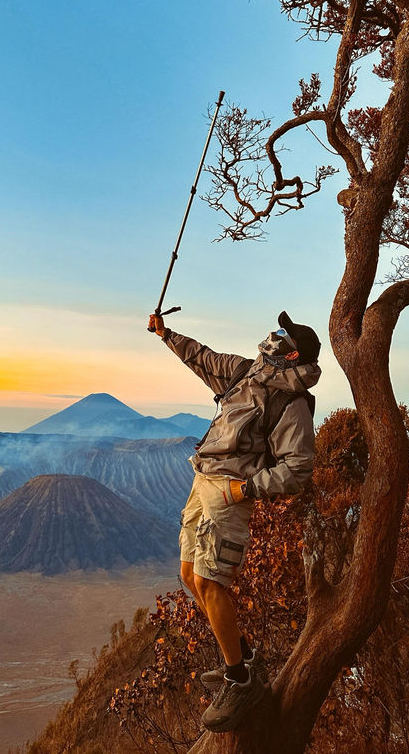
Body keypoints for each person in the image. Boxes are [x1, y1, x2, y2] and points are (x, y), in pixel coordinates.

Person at [147, 310, 321, 733]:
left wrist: (245, 490)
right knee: (190, 575)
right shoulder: (246, 373)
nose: (274, 335)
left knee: (211, 583)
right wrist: (166, 333)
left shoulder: (291, 403)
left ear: (291, 352)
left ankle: (239, 680)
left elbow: (299, 469)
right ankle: (241, 657)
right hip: (202, 480)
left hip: (230, 492)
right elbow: (203, 358)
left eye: (283, 334)